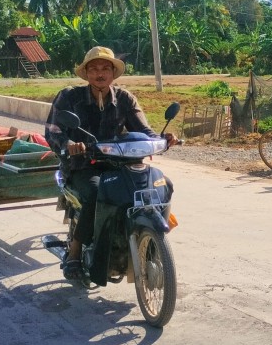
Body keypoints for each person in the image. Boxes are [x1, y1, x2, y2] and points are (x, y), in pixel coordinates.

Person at [45, 46, 177, 280]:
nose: (100, 73)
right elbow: (54, 130)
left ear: (113, 73)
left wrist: (162, 139)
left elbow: (143, 131)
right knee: (96, 193)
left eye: (106, 68)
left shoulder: (125, 98)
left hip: (120, 165)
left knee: (163, 184)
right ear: (86, 73)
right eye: (93, 69)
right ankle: (74, 255)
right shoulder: (69, 97)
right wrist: (69, 145)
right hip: (83, 166)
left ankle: (151, 240)